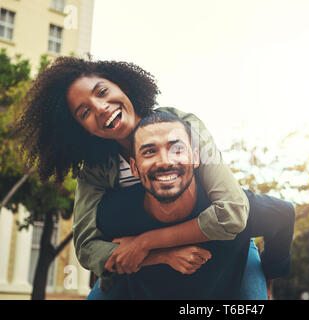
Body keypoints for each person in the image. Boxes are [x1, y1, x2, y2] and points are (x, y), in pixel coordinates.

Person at [17, 57, 266, 298]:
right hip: (138, 268)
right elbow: (86, 248)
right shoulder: (95, 170)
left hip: (224, 248)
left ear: (121, 84)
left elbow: (232, 212)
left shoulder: (185, 126)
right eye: (85, 112)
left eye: (102, 92)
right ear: (79, 129)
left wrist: (144, 242)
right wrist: (159, 255)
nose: (101, 108)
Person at [94, 111, 295, 299]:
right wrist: (162, 255)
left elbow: (285, 214)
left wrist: (268, 280)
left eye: (177, 149)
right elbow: (94, 252)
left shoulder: (233, 209)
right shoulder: (114, 215)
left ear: (196, 158)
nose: (165, 161)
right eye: (149, 152)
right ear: (134, 168)